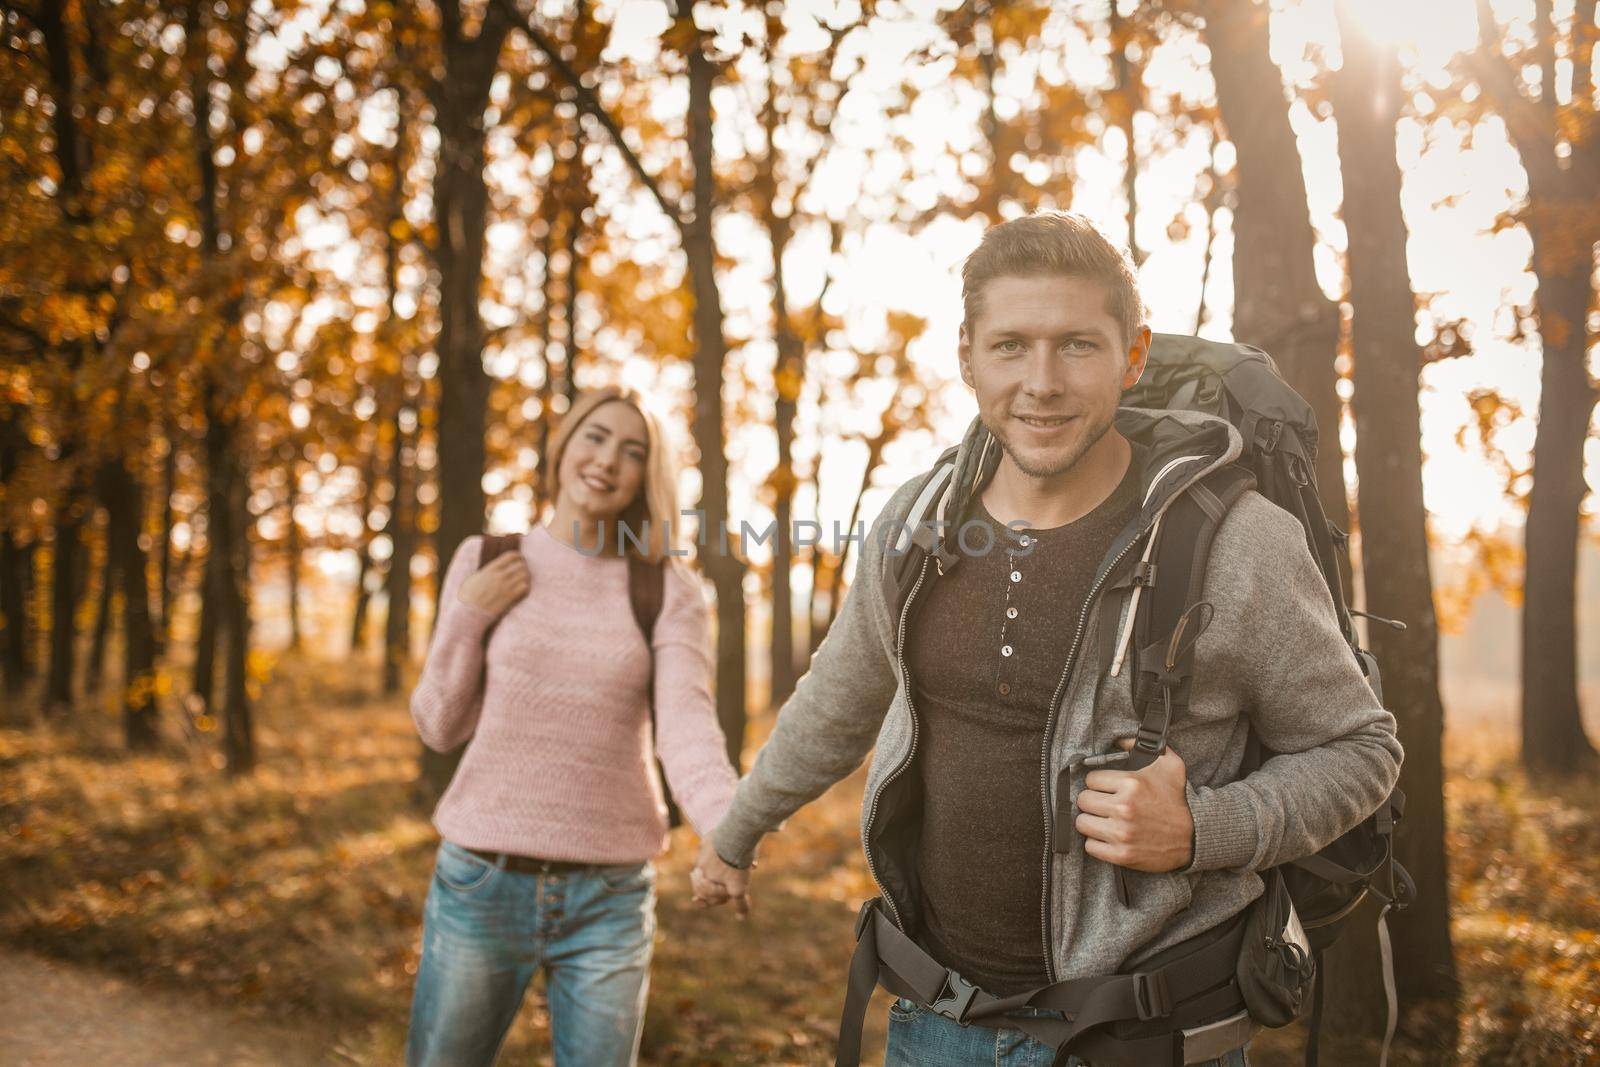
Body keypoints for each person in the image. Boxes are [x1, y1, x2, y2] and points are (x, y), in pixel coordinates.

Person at [690, 212, 1404, 1067]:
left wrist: (1204, 828)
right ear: (967, 356)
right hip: (934, 1024)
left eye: (1076, 345)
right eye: (1011, 346)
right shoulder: (916, 523)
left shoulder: (1236, 543)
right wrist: (737, 832)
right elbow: (838, 700)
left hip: (1141, 1037)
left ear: (1132, 356)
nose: (1042, 382)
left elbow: (1361, 749)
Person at [406, 386, 738, 1067]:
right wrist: (468, 614)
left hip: (608, 898)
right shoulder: (484, 558)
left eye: (632, 450)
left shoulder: (667, 589)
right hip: (480, 883)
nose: (608, 459)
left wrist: (728, 828)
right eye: (595, 436)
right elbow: (438, 726)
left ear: (648, 475)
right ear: (563, 445)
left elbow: (687, 727)